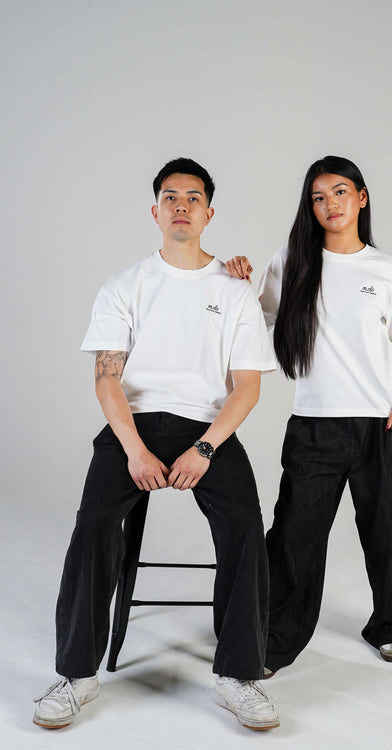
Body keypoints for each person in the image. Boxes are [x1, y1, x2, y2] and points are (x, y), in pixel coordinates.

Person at [33, 158, 280, 731]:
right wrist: (134, 450)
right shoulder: (125, 284)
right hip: (135, 426)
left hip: (207, 429)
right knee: (94, 526)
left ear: (209, 213)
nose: (181, 206)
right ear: (155, 211)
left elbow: (247, 387)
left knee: (246, 527)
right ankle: (77, 674)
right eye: (171, 197)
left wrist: (206, 449)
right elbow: (106, 379)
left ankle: (238, 675)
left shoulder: (235, 290)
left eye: (193, 198)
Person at [226, 155, 392, 672]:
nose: (330, 204)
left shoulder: (388, 270)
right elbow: (252, 320)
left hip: (387, 420)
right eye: (318, 197)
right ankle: (273, 639)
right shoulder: (292, 261)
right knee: (294, 536)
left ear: (361, 198)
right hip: (316, 425)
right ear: (309, 207)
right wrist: (235, 282)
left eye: (340, 192)